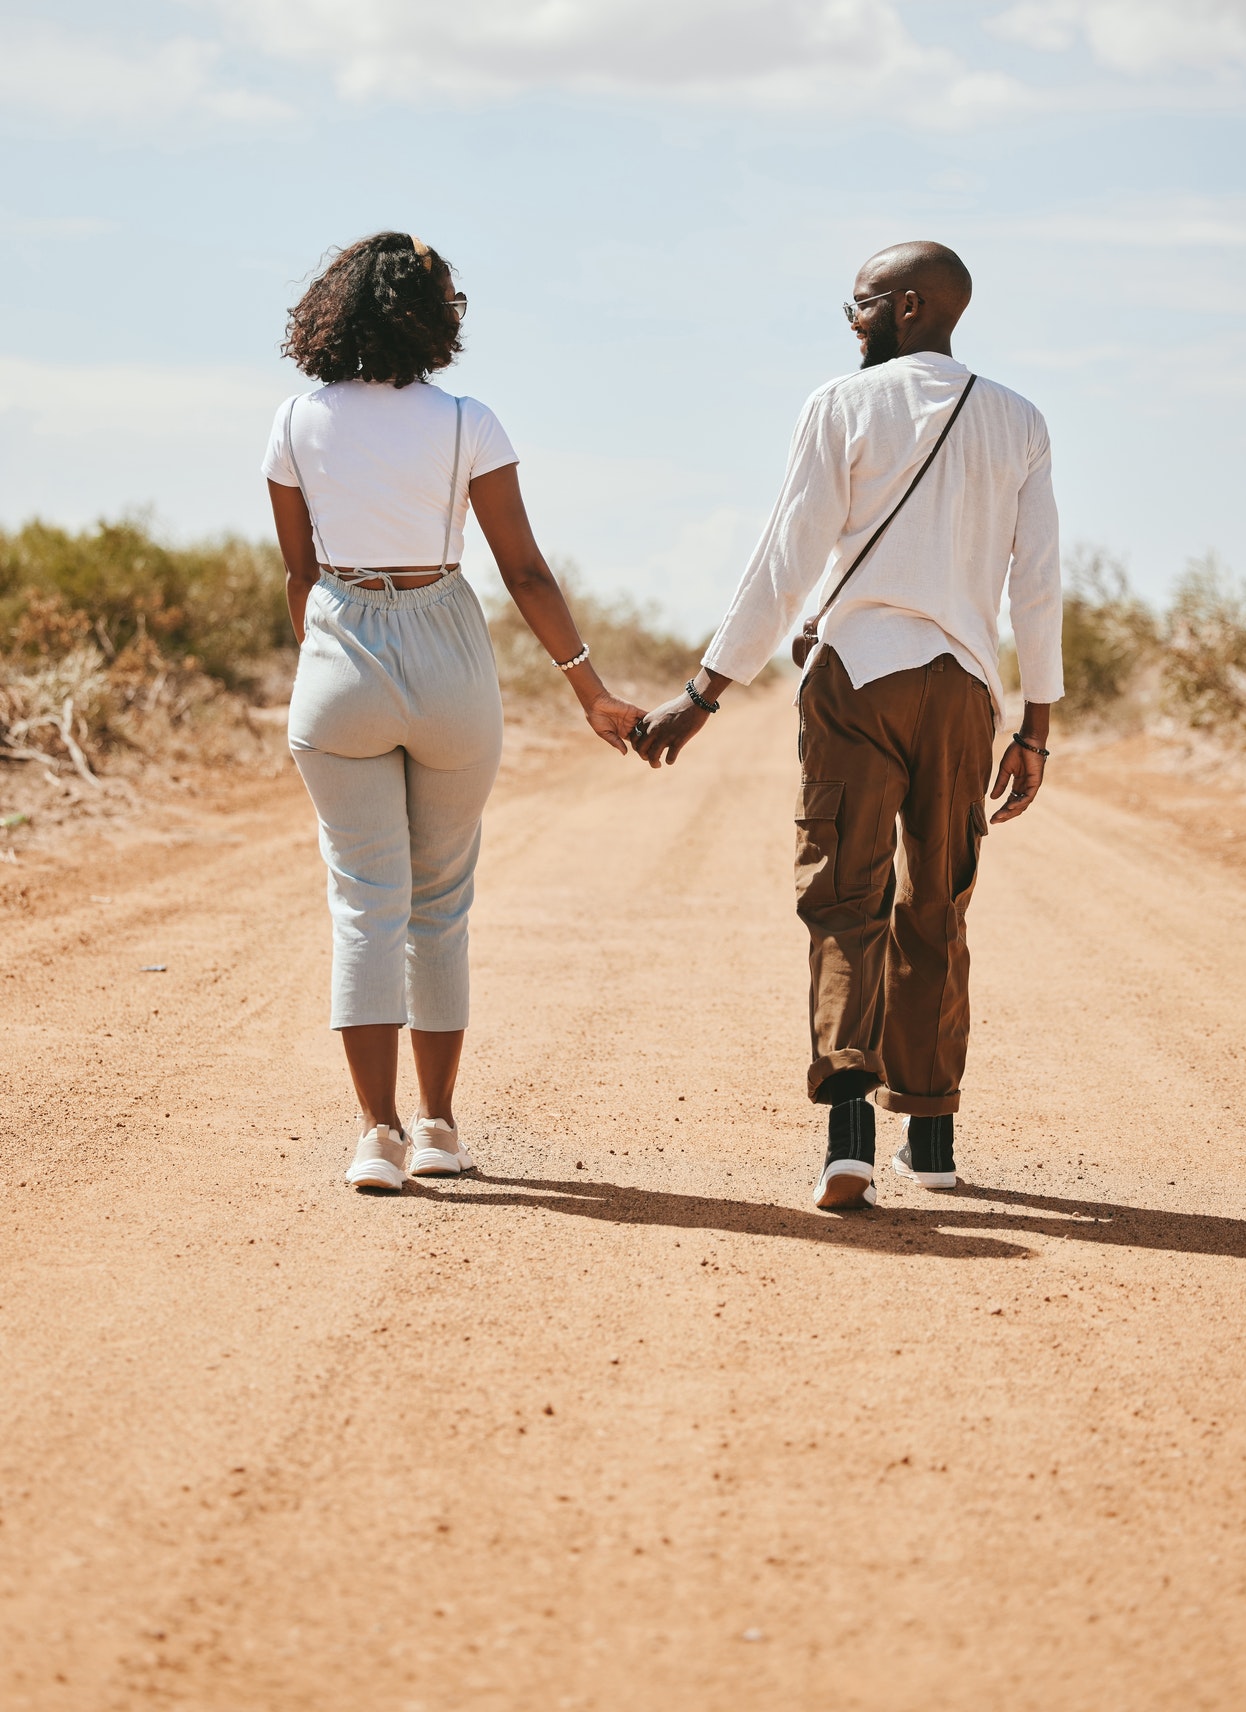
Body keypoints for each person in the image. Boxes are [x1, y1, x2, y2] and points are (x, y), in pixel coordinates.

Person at [633, 242, 1063, 1210]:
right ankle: (934, 1132)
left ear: (909, 306)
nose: (849, 316)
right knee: (936, 902)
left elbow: (783, 556)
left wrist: (703, 693)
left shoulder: (839, 403)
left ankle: (848, 1134)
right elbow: (1034, 581)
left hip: (853, 678)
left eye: (860, 301)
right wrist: (1033, 725)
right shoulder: (1018, 419)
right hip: (960, 689)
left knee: (843, 897)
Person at [265, 231, 643, 1193]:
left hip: (341, 645)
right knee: (439, 907)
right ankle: (436, 1127)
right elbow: (523, 568)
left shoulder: (296, 421)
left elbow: (300, 577)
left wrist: (326, 669)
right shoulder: (469, 421)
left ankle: (374, 1136)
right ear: (436, 317)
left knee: (363, 905)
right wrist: (589, 689)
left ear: (335, 308)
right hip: (445, 648)